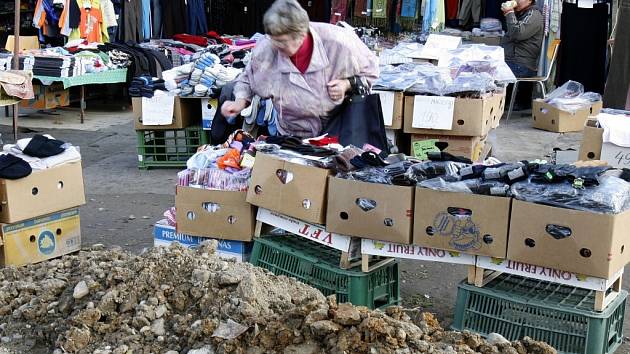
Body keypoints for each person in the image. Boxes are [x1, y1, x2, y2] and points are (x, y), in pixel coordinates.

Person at [220, 0, 378, 138]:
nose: (278, 47)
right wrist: (240, 102)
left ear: (301, 33)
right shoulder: (267, 47)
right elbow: (248, 79)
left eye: (283, 41)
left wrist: (346, 84)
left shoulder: (339, 43)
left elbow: (371, 74)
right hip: (292, 134)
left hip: (338, 130)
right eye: (275, 41)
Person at [501, 0, 543, 78]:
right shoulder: (521, 13)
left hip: (520, 65)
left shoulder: (534, 14)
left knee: (492, 75)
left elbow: (518, 34)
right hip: (511, 62)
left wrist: (510, 13)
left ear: (530, 1)